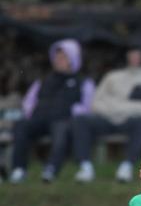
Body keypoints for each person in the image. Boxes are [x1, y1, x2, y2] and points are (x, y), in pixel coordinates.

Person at [72, 46, 141, 183]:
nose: (134, 58)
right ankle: (85, 167)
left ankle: (126, 167)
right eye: (131, 54)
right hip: (107, 119)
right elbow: (95, 103)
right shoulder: (112, 77)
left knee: (140, 123)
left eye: (138, 54)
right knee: (81, 120)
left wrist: (120, 108)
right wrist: (135, 107)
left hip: (133, 123)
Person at [9, 39, 94, 184]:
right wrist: (30, 112)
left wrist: (73, 112)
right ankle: (19, 169)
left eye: (63, 57)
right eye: (57, 57)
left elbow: (87, 105)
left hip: (63, 119)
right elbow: (29, 101)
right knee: (21, 126)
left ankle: (51, 169)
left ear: (72, 59)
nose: (58, 61)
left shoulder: (83, 81)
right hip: (39, 118)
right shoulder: (43, 80)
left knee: (61, 133)